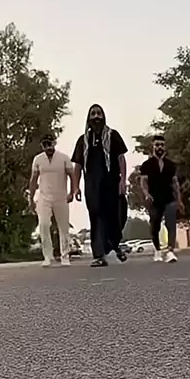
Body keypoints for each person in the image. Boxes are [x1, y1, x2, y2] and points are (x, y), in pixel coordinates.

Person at [72, 104, 128, 267]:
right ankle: (99, 255)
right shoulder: (83, 141)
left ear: (103, 117)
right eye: (93, 114)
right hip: (92, 186)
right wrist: (75, 187)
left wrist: (123, 181)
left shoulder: (113, 136)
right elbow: (78, 165)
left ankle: (114, 245)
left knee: (117, 216)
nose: (96, 116)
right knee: (96, 218)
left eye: (99, 113)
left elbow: (121, 159)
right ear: (89, 118)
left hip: (112, 184)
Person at [29, 134, 75, 267]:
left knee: (63, 227)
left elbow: (72, 176)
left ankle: (65, 256)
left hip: (61, 196)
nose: (48, 147)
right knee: (43, 225)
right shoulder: (38, 159)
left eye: (50, 144)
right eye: (45, 144)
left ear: (54, 143)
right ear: (42, 146)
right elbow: (33, 179)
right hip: (44, 196)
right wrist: (31, 199)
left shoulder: (64, 158)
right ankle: (47, 256)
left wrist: (72, 192)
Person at [140, 135, 182, 263]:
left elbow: (175, 183)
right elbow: (143, 182)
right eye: (157, 145)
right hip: (154, 200)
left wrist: (179, 200)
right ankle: (157, 250)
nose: (159, 147)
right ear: (153, 146)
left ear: (165, 147)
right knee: (155, 226)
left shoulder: (170, 165)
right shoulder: (147, 165)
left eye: (162, 145)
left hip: (169, 199)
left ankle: (170, 251)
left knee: (171, 225)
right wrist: (146, 194)